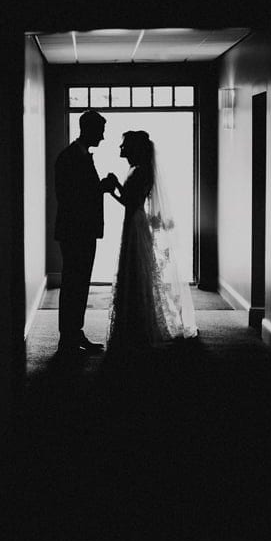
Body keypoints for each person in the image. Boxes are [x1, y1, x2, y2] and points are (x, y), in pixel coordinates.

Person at [106, 130, 198, 353]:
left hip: (136, 224)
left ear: (134, 148)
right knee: (135, 272)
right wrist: (115, 187)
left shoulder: (140, 171)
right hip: (134, 221)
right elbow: (130, 201)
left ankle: (138, 326)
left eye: (124, 145)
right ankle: (135, 323)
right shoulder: (139, 169)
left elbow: (130, 201)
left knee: (136, 271)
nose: (121, 148)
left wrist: (114, 186)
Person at [54, 110, 117, 356]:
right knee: (73, 285)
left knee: (79, 285)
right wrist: (101, 187)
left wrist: (99, 188)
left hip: (82, 231)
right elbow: (69, 197)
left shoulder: (81, 156)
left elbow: (82, 191)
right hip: (74, 232)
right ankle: (67, 339)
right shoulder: (69, 157)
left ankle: (74, 333)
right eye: (100, 131)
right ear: (88, 129)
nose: (102, 137)